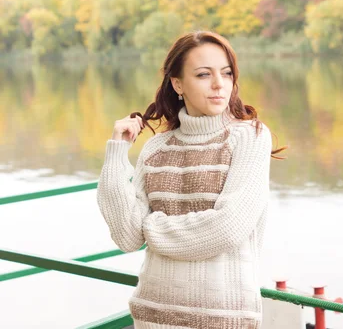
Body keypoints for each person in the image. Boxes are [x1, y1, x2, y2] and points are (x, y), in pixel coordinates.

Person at [97, 30, 286, 329]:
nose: (218, 84)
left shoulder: (249, 137)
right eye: (203, 74)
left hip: (223, 319)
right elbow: (127, 236)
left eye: (226, 73)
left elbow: (226, 228)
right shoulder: (157, 148)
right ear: (177, 83)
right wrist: (117, 152)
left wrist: (151, 227)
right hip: (151, 316)